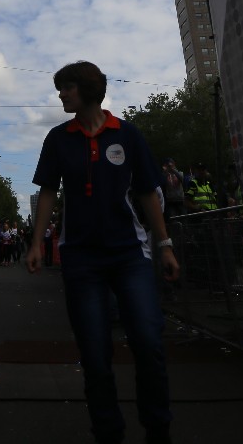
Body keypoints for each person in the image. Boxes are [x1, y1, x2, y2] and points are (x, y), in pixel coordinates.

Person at [27, 61, 179, 444]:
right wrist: (37, 243)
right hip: (81, 258)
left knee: (148, 342)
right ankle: (108, 433)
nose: (61, 94)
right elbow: (48, 191)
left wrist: (164, 246)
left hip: (130, 254)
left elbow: (147, 192)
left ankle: (158, 429)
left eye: (67, 87)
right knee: (95, 355)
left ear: (88, 90)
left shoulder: (127, 135)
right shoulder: (58, 138)